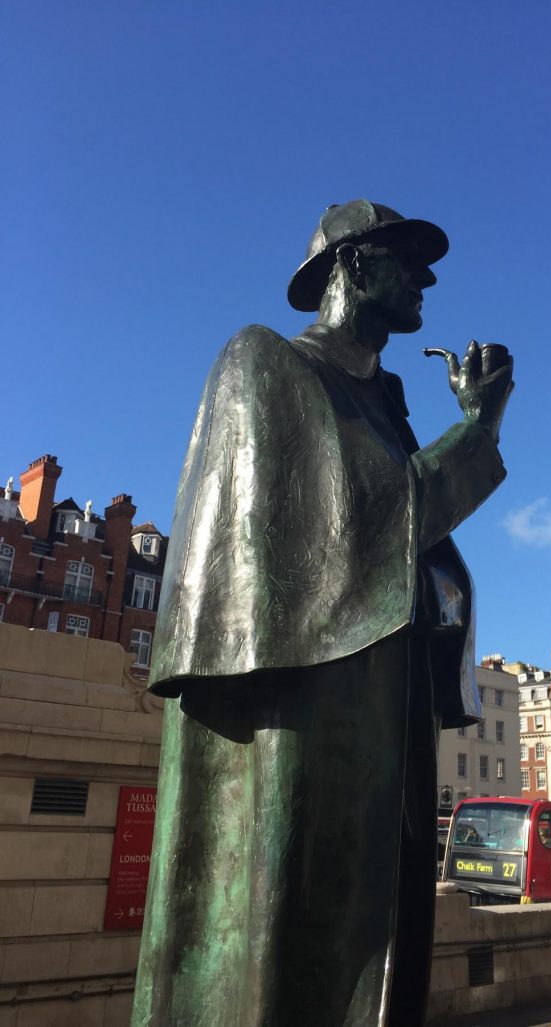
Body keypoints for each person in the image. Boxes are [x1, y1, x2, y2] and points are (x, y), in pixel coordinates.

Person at [131, 200, 513, 1027]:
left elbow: (408, 534)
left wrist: (468, 429)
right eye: (406, 256)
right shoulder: (266, 361)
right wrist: (477, 431)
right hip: (303, 703)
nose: (428, 277)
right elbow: (369, 521)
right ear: (352, 266)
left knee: (378, 945)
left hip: (387, 702)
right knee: (292, 950)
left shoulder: (386, 401)